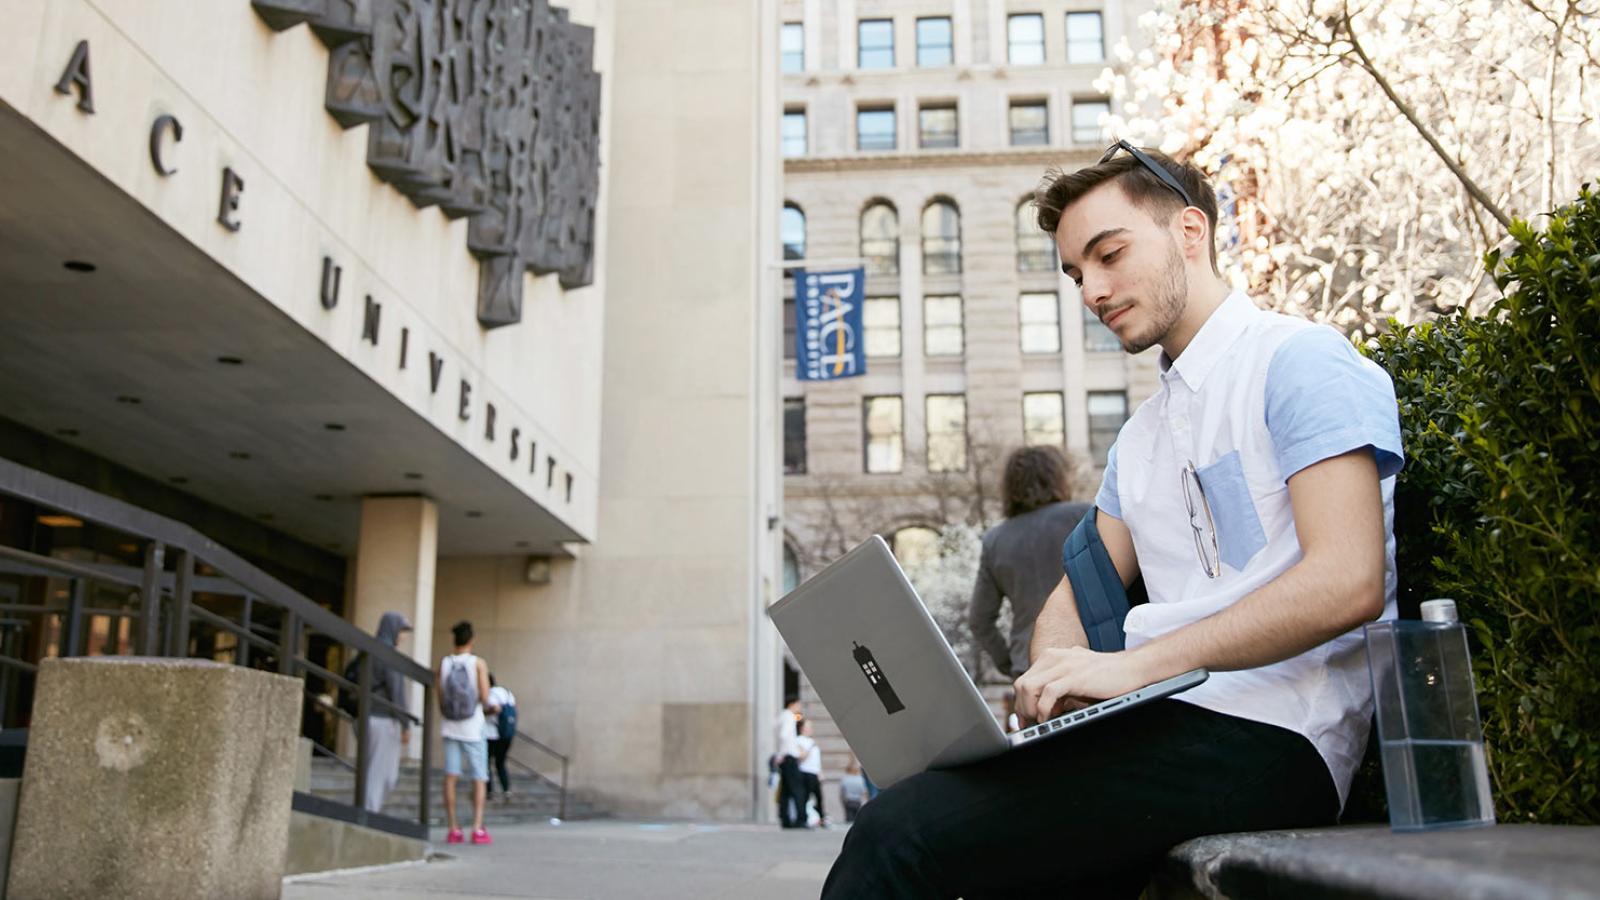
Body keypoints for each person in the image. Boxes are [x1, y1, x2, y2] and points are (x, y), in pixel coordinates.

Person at [821, 144, 1403, 898]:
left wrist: (1133, 667)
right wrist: (1057, 682)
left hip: (1277, 735)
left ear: (1190, 232)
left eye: (1109, 254)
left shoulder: (1302, 362)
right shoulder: (1142, 437)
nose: (1092, 290)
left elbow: (1347, 581)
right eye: (1074, 273)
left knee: (897, 836)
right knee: (926, 819)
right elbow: (1067, 605)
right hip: (1158, 726)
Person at [968, 446, 1094, 678]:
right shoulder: (1085, 517)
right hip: (1092, 658)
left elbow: (979, 620)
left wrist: (1009, 662)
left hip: (1030, 669)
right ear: (1057, 477)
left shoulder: (995, 540)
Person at [438, 620, 497, 845]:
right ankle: (477, 827)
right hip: (473, 726)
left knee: (451, 776)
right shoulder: (477, 663)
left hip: (450, 726)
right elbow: (484, 696)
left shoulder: (444, 663)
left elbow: (440, 697)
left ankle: (453, 827)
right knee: (479, 777)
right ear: (472, 640)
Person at [360, 612, 413, 813]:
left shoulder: (368, 649)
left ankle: (366, 810)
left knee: (373, 771)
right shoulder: (388, 654)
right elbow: (396, 692)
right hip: (383, 719)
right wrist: (406, 723)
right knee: (383, 774)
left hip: (366, 717)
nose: (403, 636)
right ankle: (368, 815)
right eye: (402, 631)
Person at [483, 673, 517, 802]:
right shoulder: (506, 693)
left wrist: (482, 713)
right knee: (500, 763)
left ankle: (489, 790)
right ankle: (506, 790)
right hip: (507, 733)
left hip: (492, 733)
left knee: (486, 762)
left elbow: (496, 709)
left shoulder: (491, 693)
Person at [772, 696, 806, 828]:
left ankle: (785, 819)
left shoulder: (782, 716)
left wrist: (780, 754)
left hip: (785, 757)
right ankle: (801, 819)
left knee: (785, 790)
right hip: (789, 757)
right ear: (792, 704)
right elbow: (784, 736)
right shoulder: (789, 716)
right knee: (798, 789)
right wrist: (787, 753)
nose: (799, 708)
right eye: (798, 704)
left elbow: (777, 733)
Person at [796, 717, 828, 827]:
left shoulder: (812, 741)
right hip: (805, 771)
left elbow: (816, 759)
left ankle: (822, 818)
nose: (810, 729)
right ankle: (802, 818)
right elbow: (801, 756)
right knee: (805, 797)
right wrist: (809, 748)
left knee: (819, 797)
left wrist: (820, 772)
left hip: (814, 772)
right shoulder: (799, 740)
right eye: (808, 727)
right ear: (802, 728)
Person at [839, 756, 867, 824]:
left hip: (848, 801)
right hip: (857, 801)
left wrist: (843, 801)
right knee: (857, 821)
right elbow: (864, 792)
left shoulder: (845, 779)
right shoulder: (861, 779)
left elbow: (842, 792)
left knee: (849, 821)